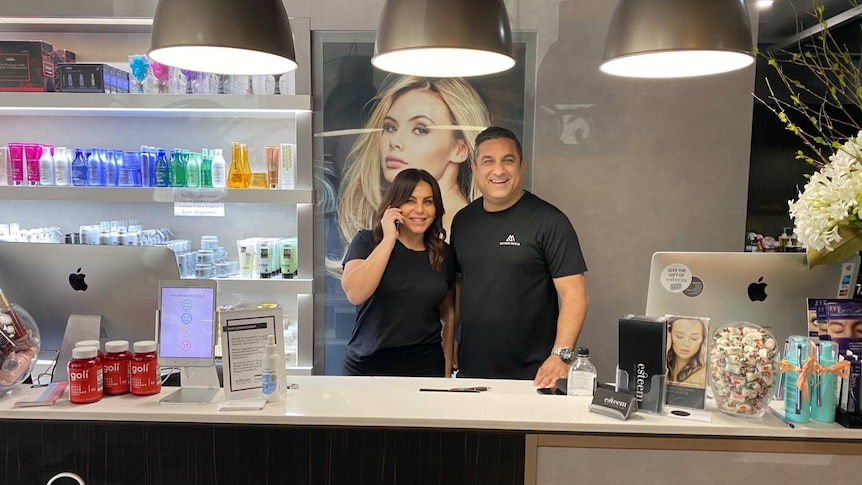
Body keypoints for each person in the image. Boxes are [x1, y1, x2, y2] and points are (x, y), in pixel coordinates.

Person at [450, 126, 589, 388]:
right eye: (488, 161)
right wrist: (450, 342)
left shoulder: (550, 221)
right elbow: (459, 286)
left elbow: (575, 295)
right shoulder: (463, 221)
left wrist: (561, 357)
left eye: (508, 160)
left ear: (522, 166)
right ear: (474, 167)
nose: (498, 170)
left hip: (535, 377)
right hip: (471, 372)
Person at [337, 75, 491, 250]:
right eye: (390, 127)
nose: (395, 141)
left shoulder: (467, 234)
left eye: (420, 130)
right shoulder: (386, 223)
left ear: (460, 149)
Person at [340, 169, 456, 377]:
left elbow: (448, 314)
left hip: (425, 369)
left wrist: (446, 374)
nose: (420, 210)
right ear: (395, 206)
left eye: (428, 202)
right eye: (410, 201)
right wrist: (388, 239)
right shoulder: (367, 242)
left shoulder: (443, 253)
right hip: (367, 368)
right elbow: (355, 293)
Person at [666, 317, 707, 387]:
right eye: (679, 336)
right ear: (669, 335)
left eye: (694, 338)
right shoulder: (663, 366)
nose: (686, 344)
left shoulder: (703, 374)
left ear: (702, 340)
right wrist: (664, 349)